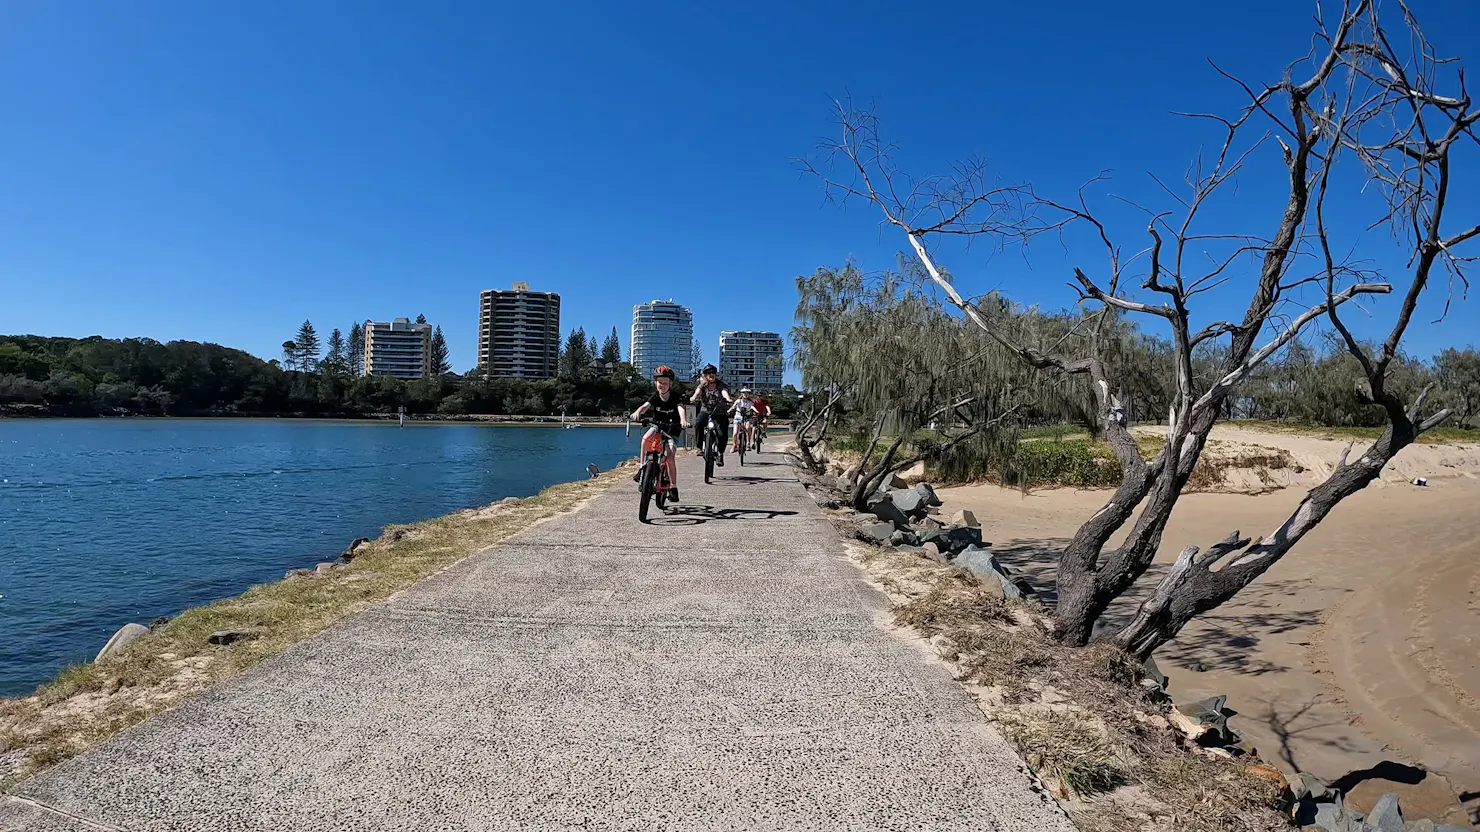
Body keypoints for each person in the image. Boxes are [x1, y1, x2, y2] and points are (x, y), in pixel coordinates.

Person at [630, 365, 687, 502]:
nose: (662, 385)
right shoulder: (655, 396)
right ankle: (642, 469)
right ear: (655, 383)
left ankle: (673, 487)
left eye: (665, 382)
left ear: (670, 383)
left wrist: (684, 420)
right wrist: (638, 412)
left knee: (669, 455)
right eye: (659, 382)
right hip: (658, 426)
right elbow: (645, 406)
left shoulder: (675, 397)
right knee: (645, 439)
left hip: (672, 429)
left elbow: (681, 409)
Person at [689, 364, 734, 466]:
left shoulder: (721, 384)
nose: (711, 375)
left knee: (722, 434)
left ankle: (720, 453)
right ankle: (699, 447)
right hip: (706, 410)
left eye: (713, 372)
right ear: (705, 375)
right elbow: (697, 393)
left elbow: (724, 392)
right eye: (709, 373)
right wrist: (693, 398)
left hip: (719, 412)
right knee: (698, 423)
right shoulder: (702, 385)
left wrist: (727, 399)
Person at [730, 387, 760, 453]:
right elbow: (733, 406)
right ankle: (734, 445)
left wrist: (756, 411)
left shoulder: (750, 402)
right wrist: (729, 410)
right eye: (744, 393)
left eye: (747, 393)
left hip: (747, 417)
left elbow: (752, 407)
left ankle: (748, 443)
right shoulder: (738, 401)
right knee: (735, 433)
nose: (746, 394)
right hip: (738, 417)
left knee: (748, 428)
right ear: (742, 394)